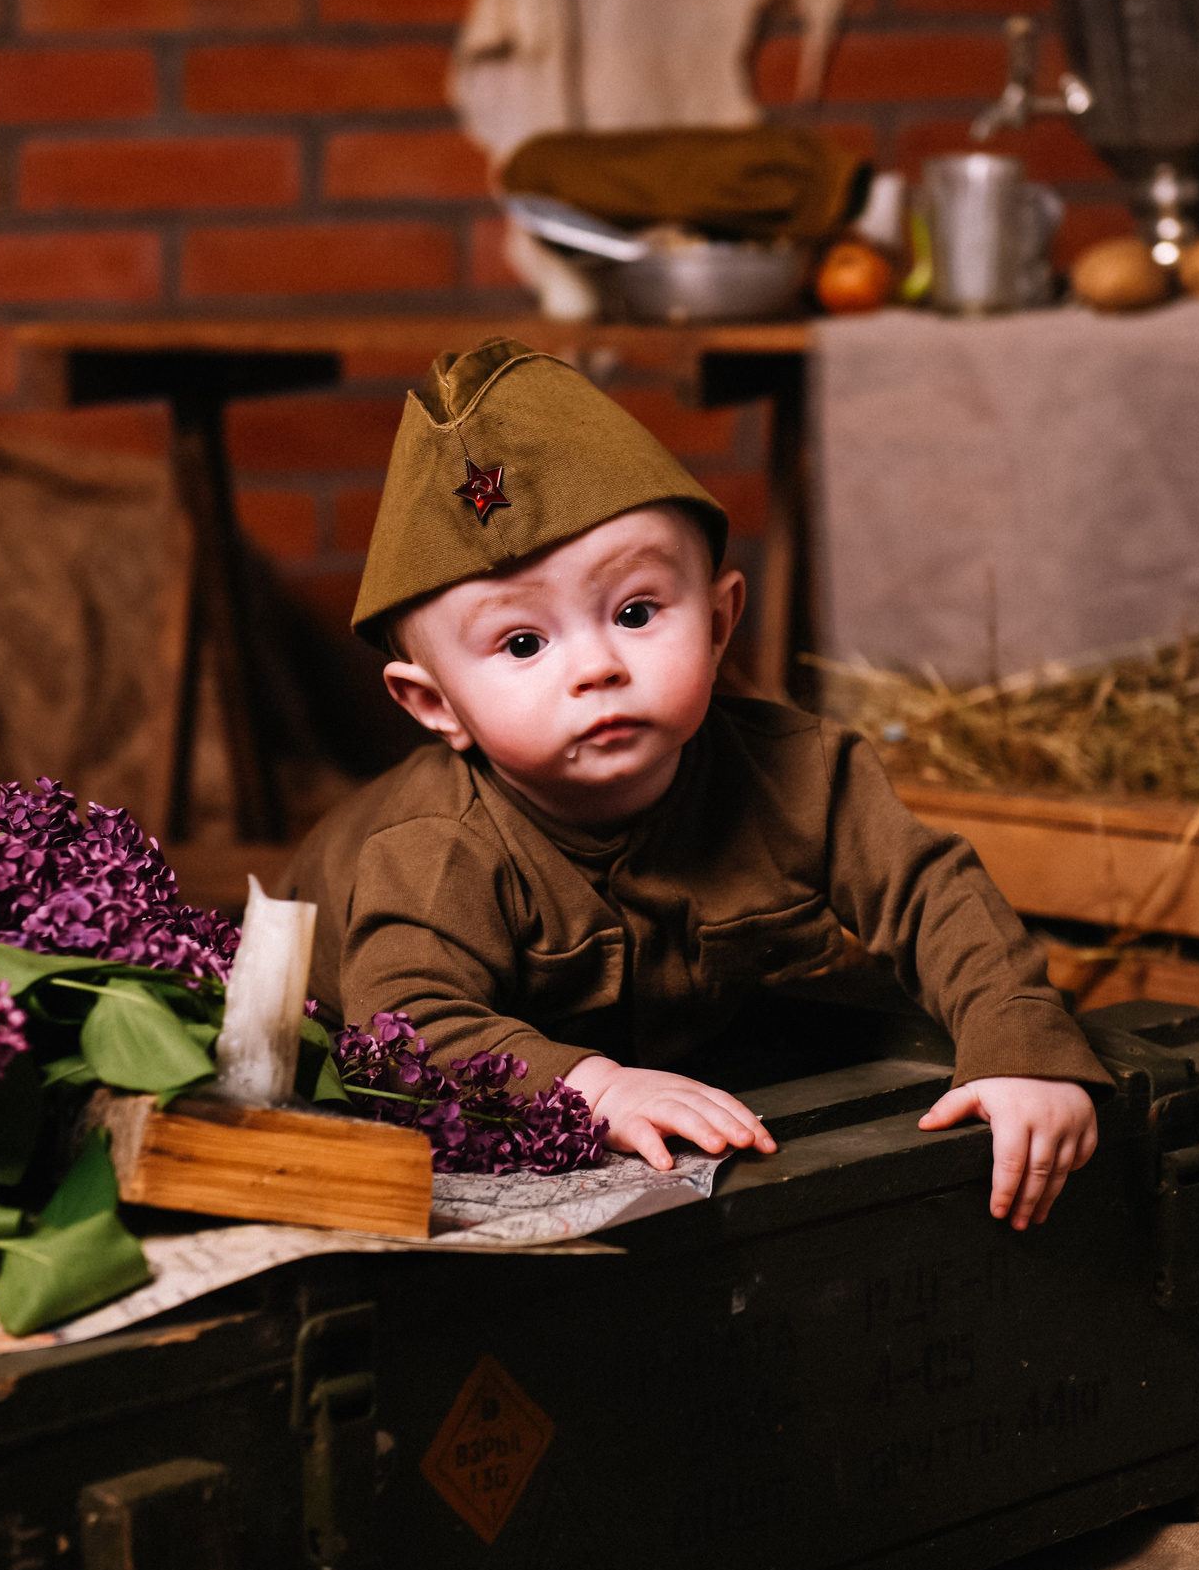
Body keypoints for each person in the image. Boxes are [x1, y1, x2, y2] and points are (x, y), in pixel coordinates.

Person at [287, 338, 1108, 1228]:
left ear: (719, 623)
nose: (597, 666)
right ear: (434, 704)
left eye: (636, 612)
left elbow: (932, 891)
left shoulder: (799, 773)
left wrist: (1018, 1044)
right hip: (333, 1043)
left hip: (662, 1036)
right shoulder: (437, 850)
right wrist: (590, 1087)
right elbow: (408, 1026)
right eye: (523, 643)